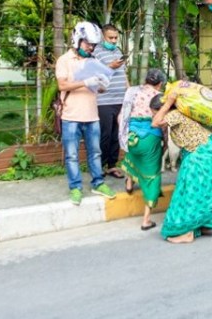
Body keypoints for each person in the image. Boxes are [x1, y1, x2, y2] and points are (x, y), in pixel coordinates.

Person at [150, 90, 212, 244]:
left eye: (154, 112)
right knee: (201, 191)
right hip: (207, 154)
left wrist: (168, 104)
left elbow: (155, 123)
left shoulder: (175, 114)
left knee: (189, 194)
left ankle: (187, 232)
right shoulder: (181, 113)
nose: (153, 115)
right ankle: (201, 224)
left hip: (201, 156)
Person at [55, 21, 116, 205]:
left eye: (93, 45)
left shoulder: (94, 61)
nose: (91, 47)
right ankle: (75, 187)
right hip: (71, 116)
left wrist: (102, 84)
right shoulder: (64, 60)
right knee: (72, 155)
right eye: (88, 43)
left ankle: (98, 183)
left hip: (92, 115)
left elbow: (98, 89)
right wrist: (85, 82)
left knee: (95, 152)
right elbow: (62, 85)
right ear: (77, 40)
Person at [117, 68, 167, 231]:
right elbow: (163, 121)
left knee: (133, 157)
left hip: (132, 135)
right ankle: (146, 220)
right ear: (159, 84)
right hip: (150, 138)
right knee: (152, 176)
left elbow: (121, 116)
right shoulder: (160, 97)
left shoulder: (131, 91)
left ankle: (130, 182)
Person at [93, 24, 129, 179]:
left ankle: (112, 166)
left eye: (116, 38)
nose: (114, 41)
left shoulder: (118, 51)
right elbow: (93, 74)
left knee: (116, 134)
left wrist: (129, 92)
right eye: (110, 38)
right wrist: (109, 66)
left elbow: (123, 74)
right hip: (103, 100)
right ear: (103, 36)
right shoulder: (95, 52)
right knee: (105, 134)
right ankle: (99, 166)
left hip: (120, 99)